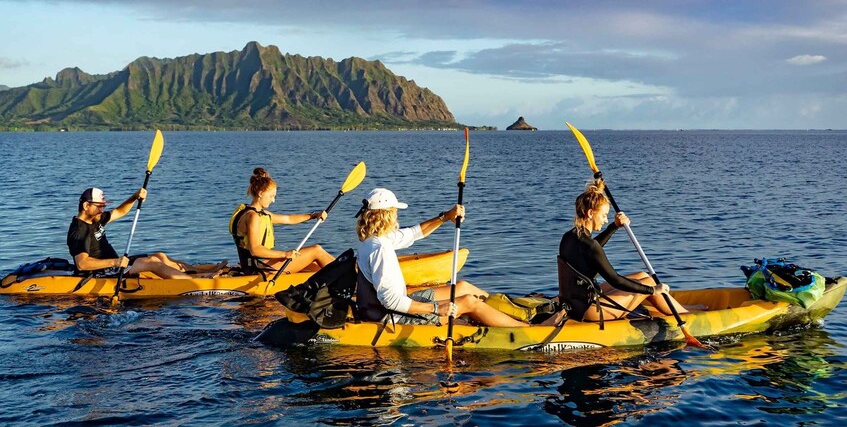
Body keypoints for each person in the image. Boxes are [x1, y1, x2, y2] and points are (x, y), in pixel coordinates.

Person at [356, 187, 566, 327]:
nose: (396, 216)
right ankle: (528, 329)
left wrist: (445, 217)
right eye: (394, 212)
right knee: (468, 302)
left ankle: (515, 311)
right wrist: (438, 309)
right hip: (393, 317)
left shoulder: (374, 240)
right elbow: (391, 301)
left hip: (398, 306)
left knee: (464, 287)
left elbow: (413, 233)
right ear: (386, 215)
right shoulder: (379, 250)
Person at [557, 180, 689, 322]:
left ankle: (682, 308)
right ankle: (687, 315)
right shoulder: (590, 246)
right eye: (603, 215)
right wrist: (653, 290)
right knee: (650, 283)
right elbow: (616, 281)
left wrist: (614, 226)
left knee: (642, 275)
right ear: (590, 213)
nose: (606, 220)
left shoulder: (569, 237)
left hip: (574, 303)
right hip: (588, 311)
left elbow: (590, 250)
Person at [68, 187, 225, 279]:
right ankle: (194, 282)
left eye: (103, 206)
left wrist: (135, 196)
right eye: (99, 206)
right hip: (100, 273)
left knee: (160, 256)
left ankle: (205, 272)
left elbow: (120, 211)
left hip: (115, 265)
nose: (102, 210)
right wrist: (115, 263)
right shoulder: (79, 231)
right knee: (151, 263)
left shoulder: (96, 218)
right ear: (86, 205)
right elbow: (82, 264)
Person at [230, 168, 334, 275]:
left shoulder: (250, 212)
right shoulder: (253, 216)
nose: (273, 200)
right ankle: (347, 274)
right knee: (316, 250)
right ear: (261, 193)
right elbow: (255, 250)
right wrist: (285, 254)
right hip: (257, 270)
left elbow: (288, 219)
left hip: (257, 265)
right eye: (271, 196)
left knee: (316, 266)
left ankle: (343, 270)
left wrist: (313, 215)